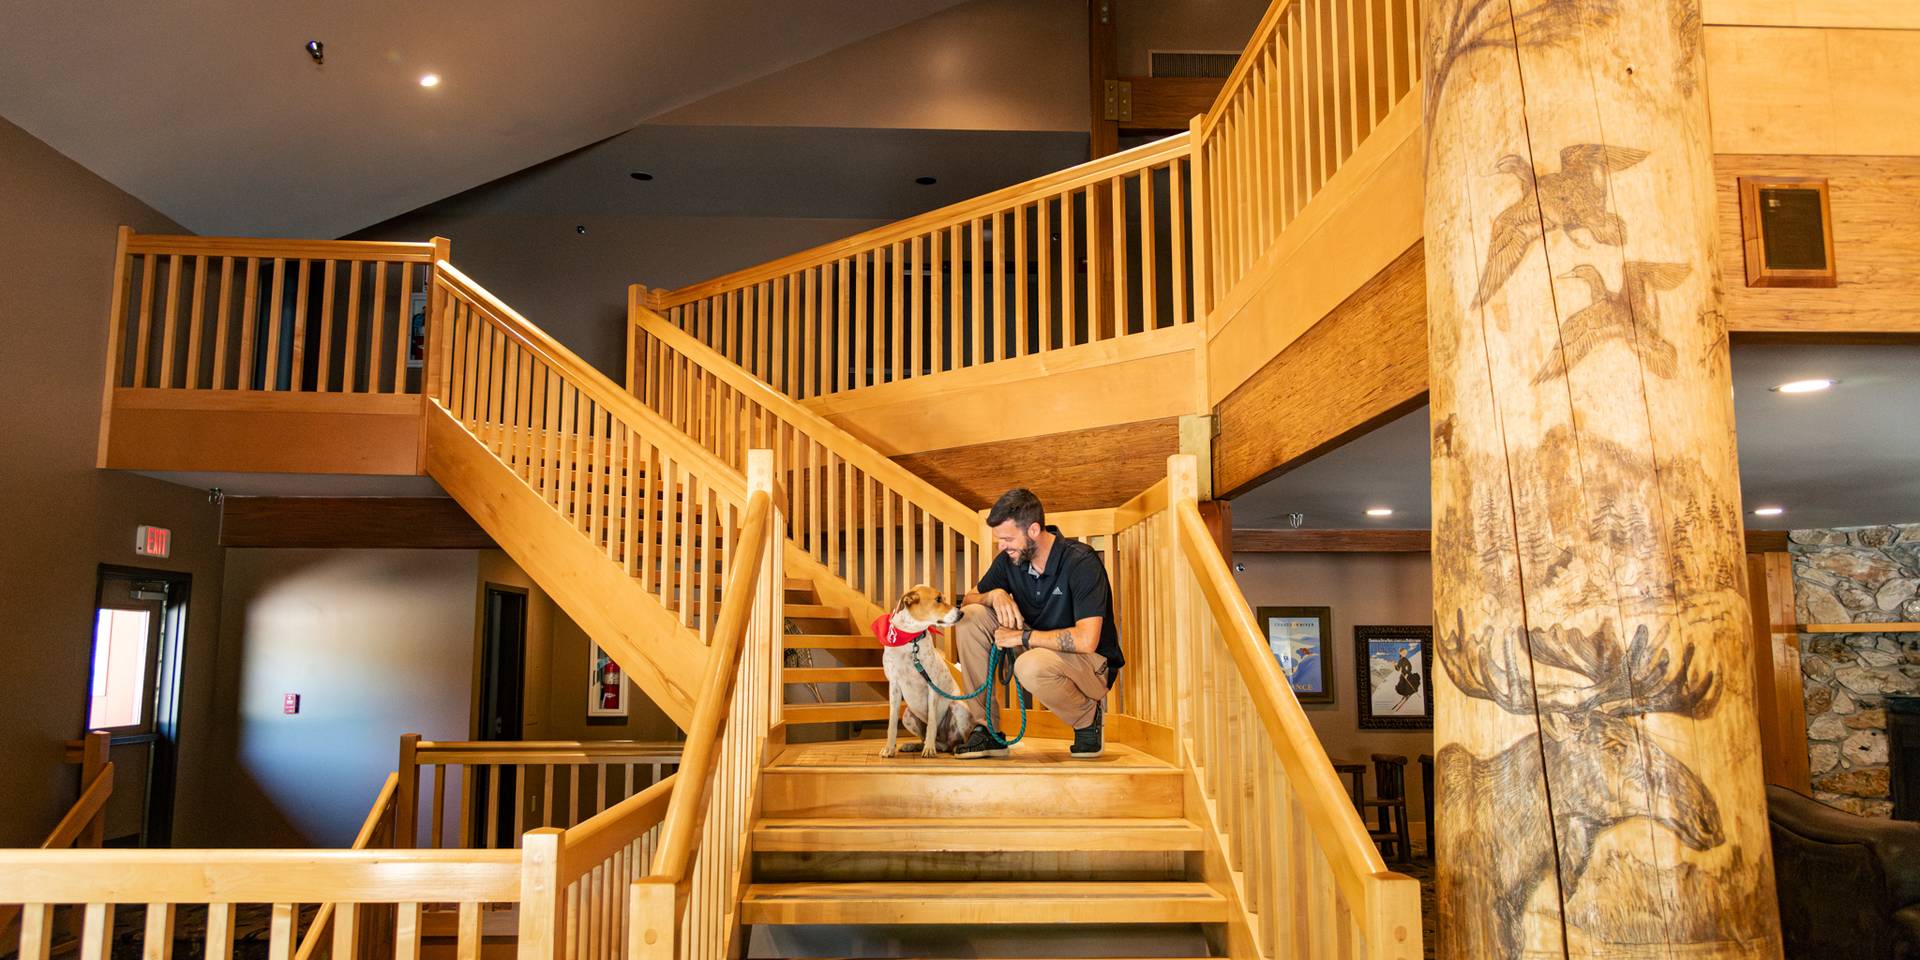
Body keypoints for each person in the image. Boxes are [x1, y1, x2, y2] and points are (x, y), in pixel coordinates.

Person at [951, 488, 1123, 759]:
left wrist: (1022, 638)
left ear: (1033, 530)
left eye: (1007, 538)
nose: (1001, 546)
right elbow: (969, 600)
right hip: (1035, 652)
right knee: (971, 616)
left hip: (1089, 665)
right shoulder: (1010, 560)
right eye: (998, 539)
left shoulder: (1081, 562)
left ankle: (1087, 718)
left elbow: (1086, 640)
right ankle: (987, 730)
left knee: (1028, 664)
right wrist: (994, 594)